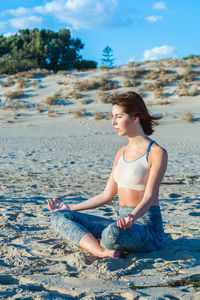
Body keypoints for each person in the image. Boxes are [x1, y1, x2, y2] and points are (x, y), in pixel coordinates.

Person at [47, 91, 168, 258]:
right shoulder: (121, 153)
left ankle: (97, 244)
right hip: (121, 223)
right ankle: (101, 250)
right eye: (113, 117)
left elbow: (149, 196)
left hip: (147, 229)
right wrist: (70, 208)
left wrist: (131, 217)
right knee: (59, 216)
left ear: (135, 117)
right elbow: (106, 195)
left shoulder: (156, 152)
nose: (113, 122)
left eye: (118, 117)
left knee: (111, 233)